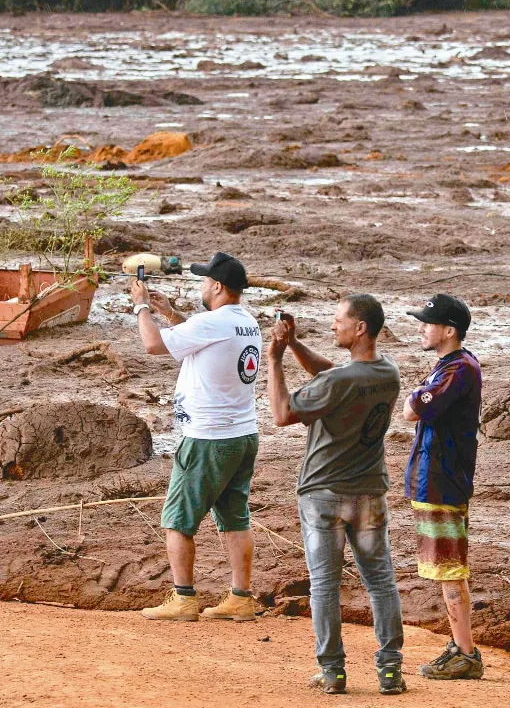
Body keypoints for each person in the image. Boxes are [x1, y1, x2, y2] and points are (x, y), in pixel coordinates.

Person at [264, 295, 406, 696]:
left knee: (324, 585)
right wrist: (293, 344)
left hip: (323, 497)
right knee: (381, 582)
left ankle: (333, 671)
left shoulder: (339, 383)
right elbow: (332, 376)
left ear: (359, 327)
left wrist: (275, 358)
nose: (332, 326)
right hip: (370, 494)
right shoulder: (387, 373)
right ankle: (390, 671)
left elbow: (281, 414)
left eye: (338, 319)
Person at [131, 251, 262, 623]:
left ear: (218, 286)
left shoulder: (212, 322)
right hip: (242, 434)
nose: (202, 286)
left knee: (177, 518)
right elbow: (203, 341)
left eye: (205, 280)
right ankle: (241, 597)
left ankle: (184, 597)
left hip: (207, 437)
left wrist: (141, 308)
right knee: (235, 516)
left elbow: (153, 345)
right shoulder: (245, 322)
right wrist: (171, 314)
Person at [402, 293, 484, 680]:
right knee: (447, 565)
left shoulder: (458, 369)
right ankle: (460, 646)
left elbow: (412, 409)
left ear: (449, 330)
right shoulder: (449, 366)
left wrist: (414, 401)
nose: (422, 327)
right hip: (436, 479)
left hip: (442, 481)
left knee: (449, 567)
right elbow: (412, 407)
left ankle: (465, 654)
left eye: (428, 323)